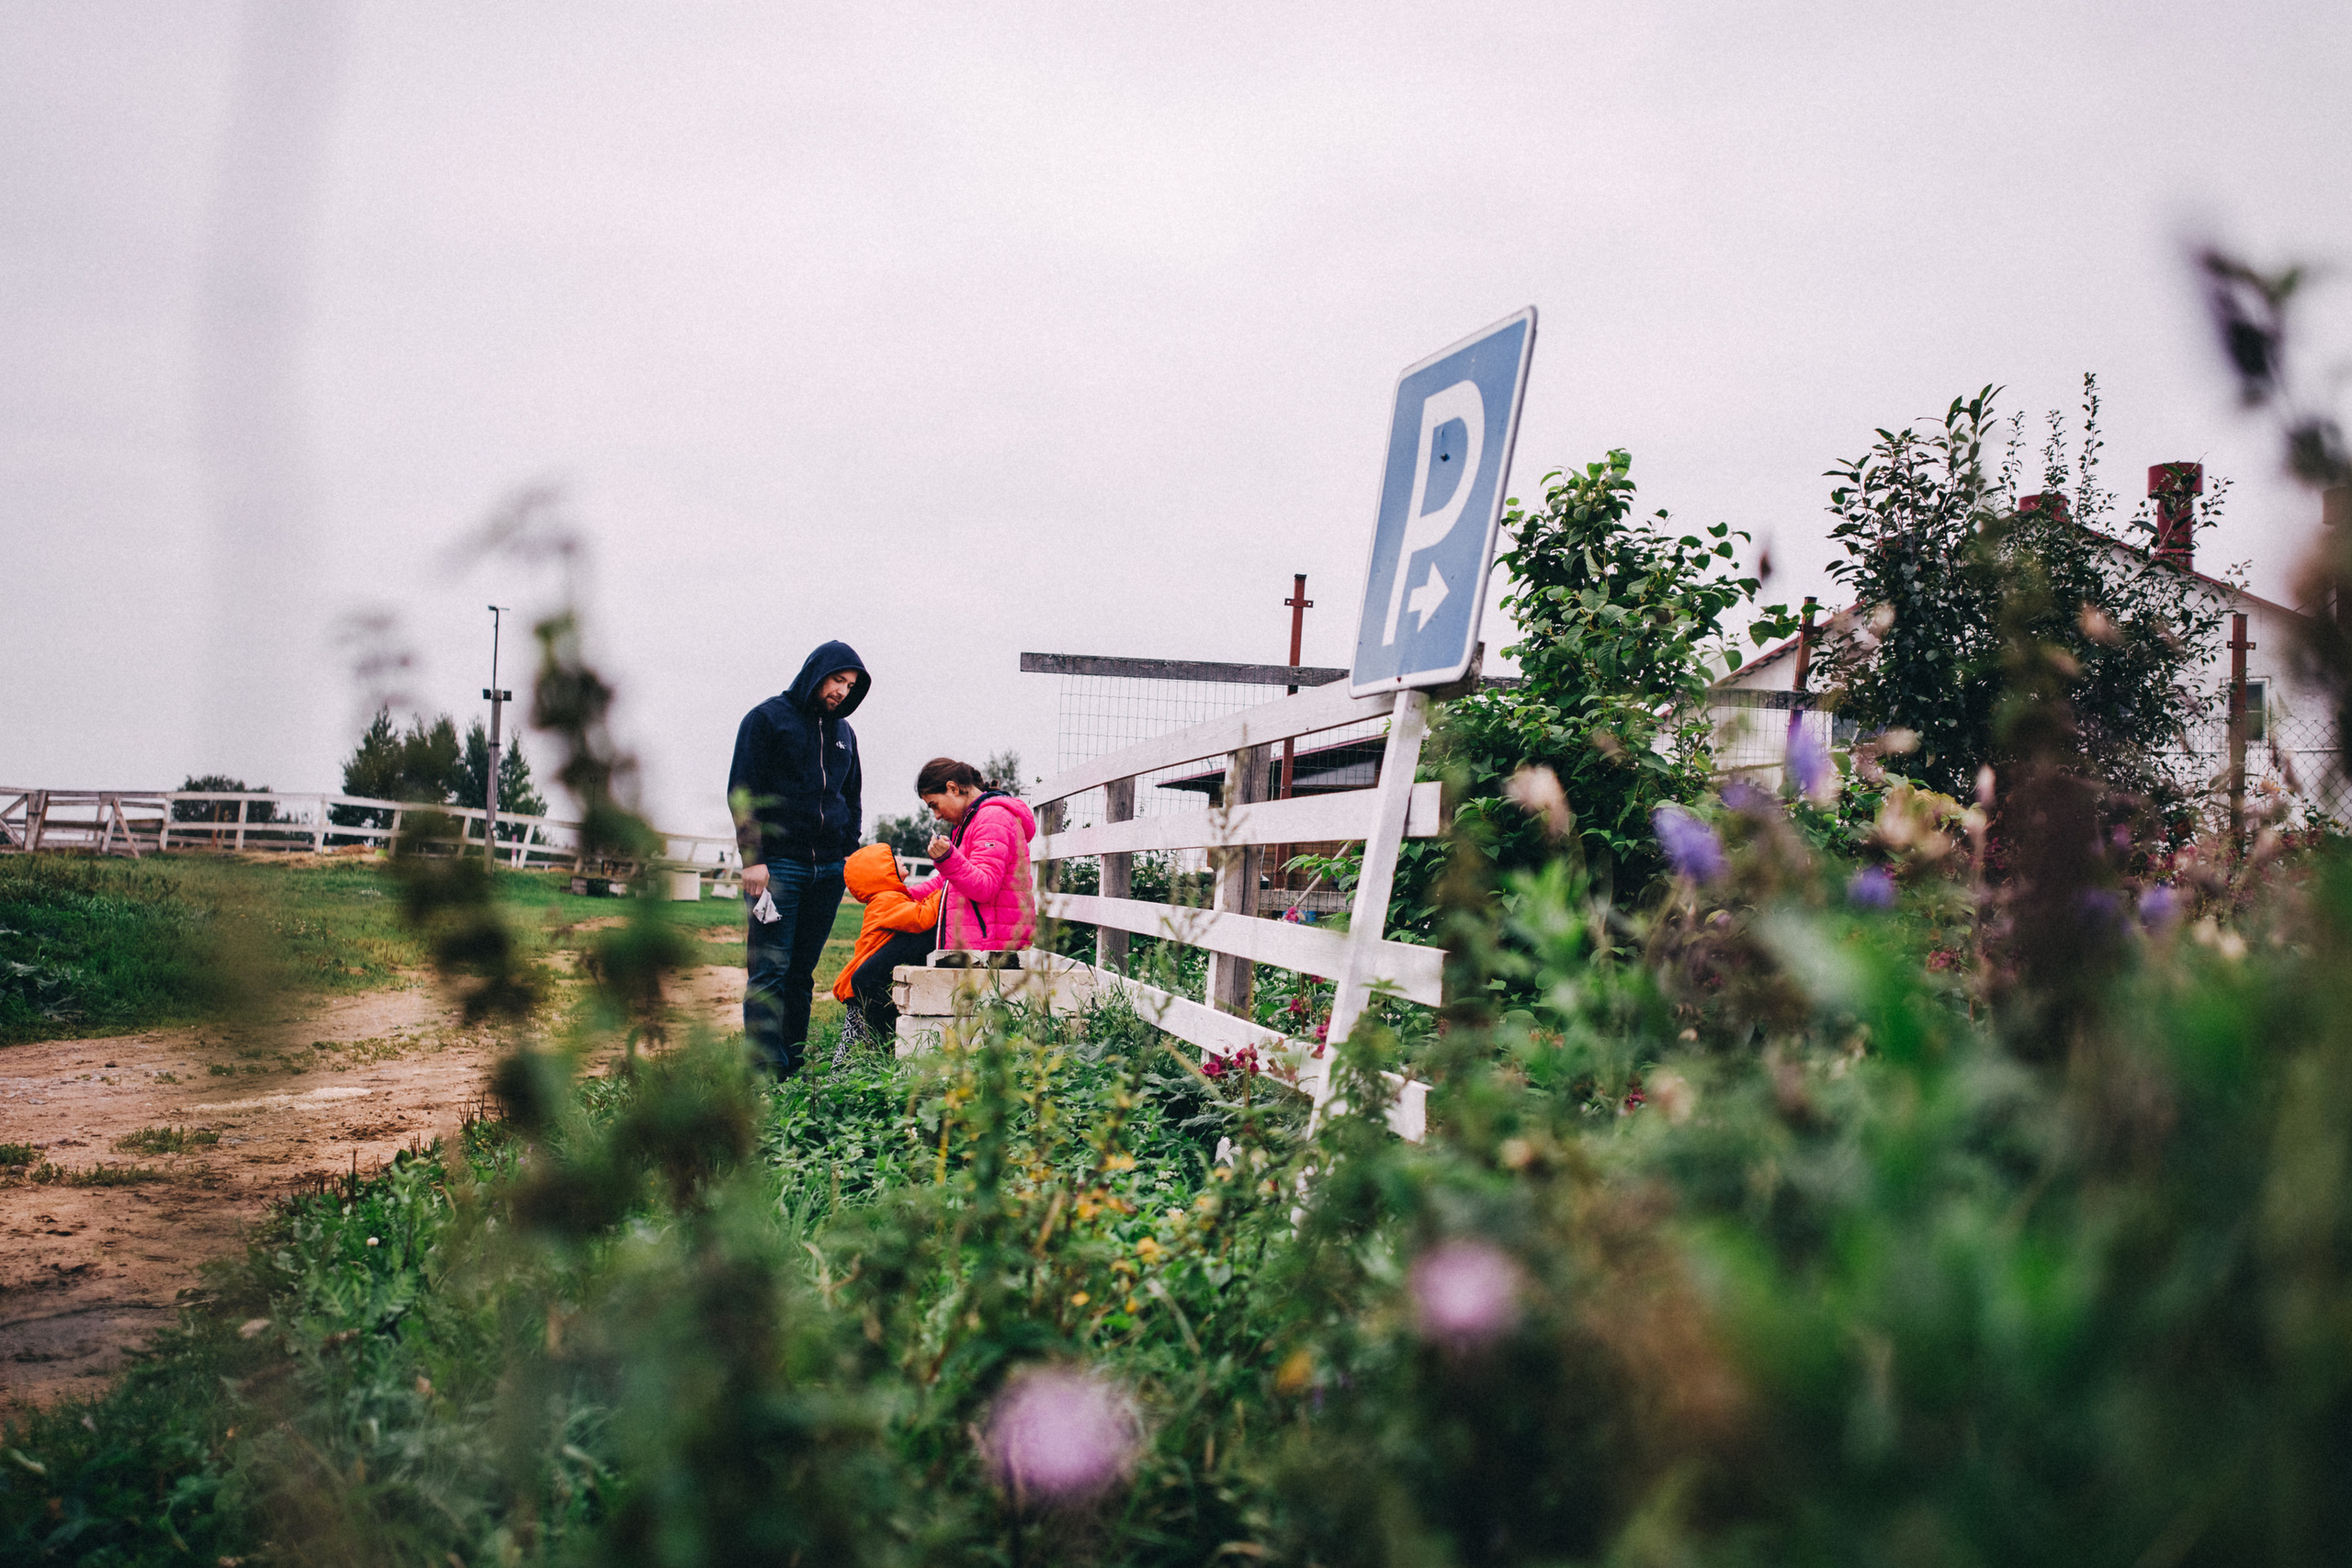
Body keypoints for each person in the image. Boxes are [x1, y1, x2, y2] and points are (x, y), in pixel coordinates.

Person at [728, 640, 869, 1077]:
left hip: (828, 871)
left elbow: (851, 798)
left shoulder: (845, 734)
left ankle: (791, 1064)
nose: (842, 692)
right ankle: (762, 1072)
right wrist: (753, 858)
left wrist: (849, 854)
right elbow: (743, 791)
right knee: (770, 971)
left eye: (850, 686)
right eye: (837, 680)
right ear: (816, 672)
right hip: (778, 868)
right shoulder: (768, 720)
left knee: (801, 974)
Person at [908, 757, 1038, 956]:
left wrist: (947, 858)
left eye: (935, 805)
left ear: (952, 788)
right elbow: (950, 881)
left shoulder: (993, 818)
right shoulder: (971, 820)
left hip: (991, 946)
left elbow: (985, 887)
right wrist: (904, 895)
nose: (937, 815)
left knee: (866, 977)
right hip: (976, 938)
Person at [831, 842, 940, 1050]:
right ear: (881, 872)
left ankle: (850, 1070)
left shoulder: (888, 899)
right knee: (859, 1038)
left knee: (855, 1038)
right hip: (862, 988)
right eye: (892, 858)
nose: (900, 859)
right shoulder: (886, 900)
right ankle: (854, 1070)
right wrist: (941, 894)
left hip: (861, 985)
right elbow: (921, 918)